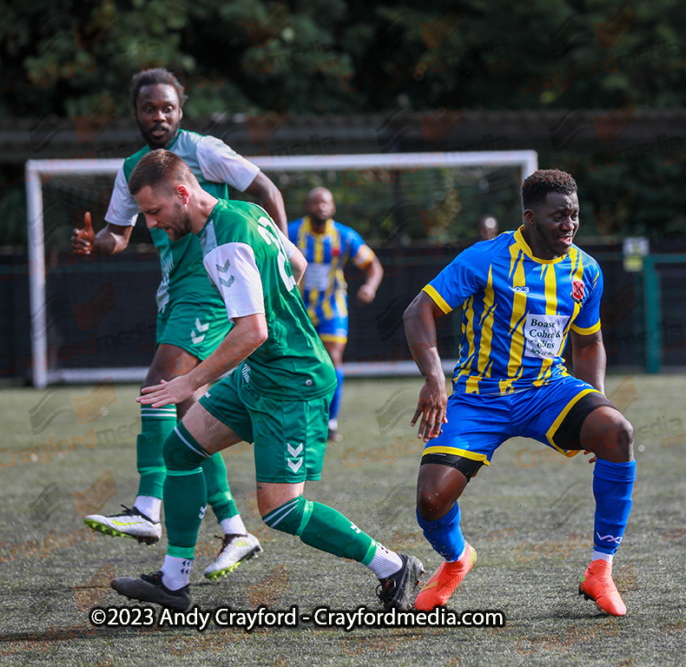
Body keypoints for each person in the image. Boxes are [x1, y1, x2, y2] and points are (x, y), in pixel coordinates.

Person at [110, 150, 423, 611]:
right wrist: (279, 315)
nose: (152, 224)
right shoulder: (247, 211)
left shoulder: (221, 242)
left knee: (281, 509)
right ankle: (173, 584)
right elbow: (294, 264)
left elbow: (252, 330)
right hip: (260, 373)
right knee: (179, 449)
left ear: (182, 193)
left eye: (154, 212)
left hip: (291, 382)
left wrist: (187, 382)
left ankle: (394, 566)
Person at [72, 68, 288, 579]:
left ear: (180, 108)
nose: (159, 116)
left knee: (158, 386)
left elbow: (265, 189)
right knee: (192, 415)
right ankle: (235, 529)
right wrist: (94, 244)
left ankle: (149, 508)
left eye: (167, 107)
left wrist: (281, 256)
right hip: (174, 294)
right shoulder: (133, 170)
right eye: (150, 108)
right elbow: (117, 235)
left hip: (210, 289)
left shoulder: (206, 149)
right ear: (137, 112)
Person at [402, 169, 636, 616]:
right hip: (478, 397)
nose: (568, 225)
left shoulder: (586, 270)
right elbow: (420, 312)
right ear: (530, 217)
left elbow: (587, 343)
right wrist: (434, 379)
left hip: (546, 390)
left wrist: (597, 402)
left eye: (574, 216)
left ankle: (600, 570)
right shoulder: (484, 258)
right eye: (558, 216)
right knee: (431, 501)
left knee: (617, 432)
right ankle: (456, 561)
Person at [288, 188, 383, 442]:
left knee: (333, 359)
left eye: (326, 202)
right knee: (297, 362)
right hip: (298, 307)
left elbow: (373, 266)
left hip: (332, 306)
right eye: (316, 202)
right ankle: (297, 419)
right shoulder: (292, 232)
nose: (321, 206)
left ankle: (330, 422)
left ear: (333, 207)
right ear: (307, 207)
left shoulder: (344, 236)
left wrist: (369, 286)